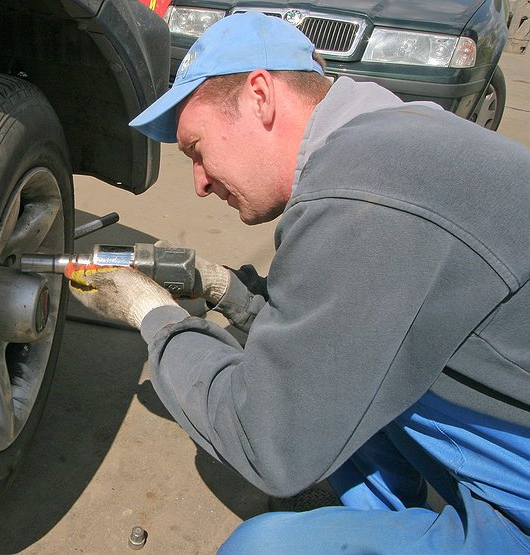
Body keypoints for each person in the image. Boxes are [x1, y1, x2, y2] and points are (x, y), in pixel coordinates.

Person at [66, 12, 530, 553]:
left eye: (197, 150)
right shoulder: (384, 140)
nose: (199, 183)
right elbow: (330, 334)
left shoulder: (361, 198)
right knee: (340, 376)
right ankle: (386, 518)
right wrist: (227, 292)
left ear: (260, 96)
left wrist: (154, 316)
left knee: (261, 549)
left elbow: (265, 440)